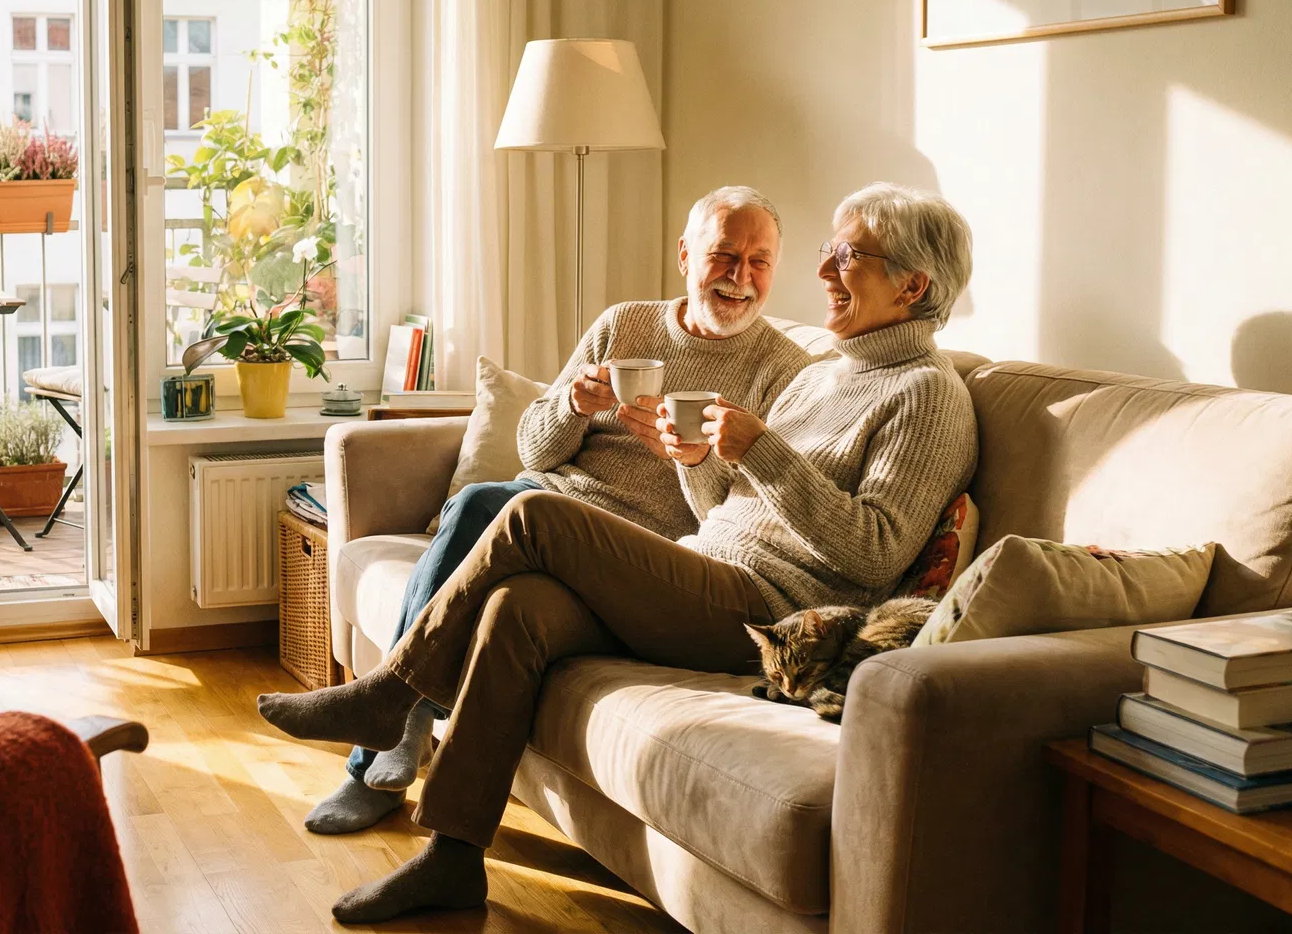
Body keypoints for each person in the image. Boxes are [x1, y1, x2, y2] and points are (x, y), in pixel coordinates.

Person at [258, 182, 980, 923]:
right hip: (710, 566)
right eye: (827, 251)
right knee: (518, 609)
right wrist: (695, 460)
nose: (824, 271)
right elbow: (728, 510)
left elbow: (872, 552)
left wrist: (761, 452)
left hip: (772, 610)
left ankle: (388, 695)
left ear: (912, 285)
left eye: (846, 255)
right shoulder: (829, 373)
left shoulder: (927, 395)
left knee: (528, 513)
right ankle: (452, 857)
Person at [305, 185, 812, 835]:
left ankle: (388, 725)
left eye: (759, 260)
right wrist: (572, 405)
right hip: (547, 506)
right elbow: (533, 449)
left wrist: (694, 461)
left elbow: (746, 518)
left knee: (480, 504)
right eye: (723, 256)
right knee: (481, 510)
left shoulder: (786, 371)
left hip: (637, 555)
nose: (741, 277)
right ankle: (393, 745)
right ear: (685, 254)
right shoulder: (624, 324)